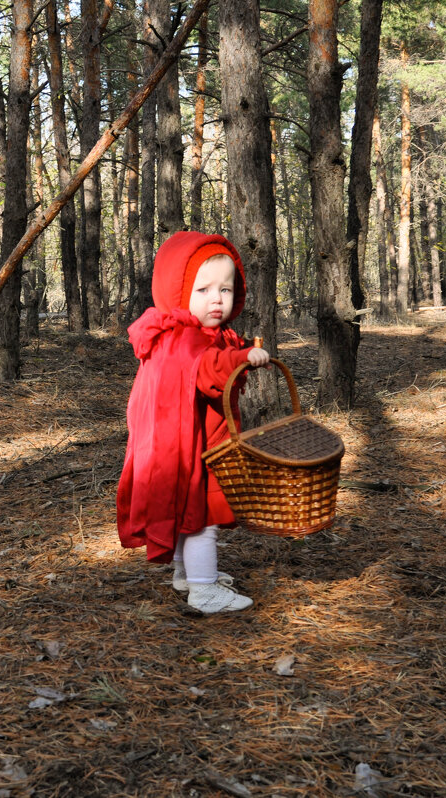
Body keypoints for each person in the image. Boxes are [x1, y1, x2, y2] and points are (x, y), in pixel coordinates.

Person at [116, 231, 269, 614]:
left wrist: (234, 349)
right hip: (194, 446)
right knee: (202, 517)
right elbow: (208, 371)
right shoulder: (186, 340)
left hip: (192, 441)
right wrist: (243, 358)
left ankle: (187, 575)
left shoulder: (187, 334)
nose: (217, 299)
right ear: (178, 291)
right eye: (203, 290)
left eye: (226, 289)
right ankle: (204, 590)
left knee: (189, 510)